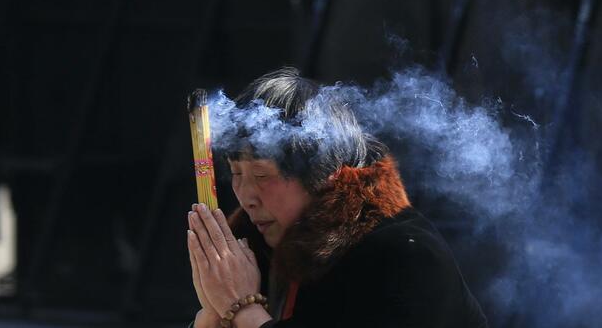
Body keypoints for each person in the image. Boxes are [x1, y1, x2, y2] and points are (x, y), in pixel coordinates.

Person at [185, 68, 488, 328]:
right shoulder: (259, 256)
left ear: (321, 174)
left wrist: (244, 307)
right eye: (236, 174)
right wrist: (215, 312)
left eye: (262, 175)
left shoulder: (403, 256)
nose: (246, 196)